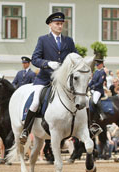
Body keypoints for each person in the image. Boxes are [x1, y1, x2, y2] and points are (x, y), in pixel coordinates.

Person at [20, 12, 78, 143]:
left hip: (63, 80)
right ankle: (26, 130)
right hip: (45, 79)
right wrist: (47, 64)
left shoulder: (68, 41)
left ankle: (90, 126)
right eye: (57, 24)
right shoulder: (43, 40)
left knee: (81, 97)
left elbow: (75, 56)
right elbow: (35, 59)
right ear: (50, 25)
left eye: (61, 24)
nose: (60, 26)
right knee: (35, 101)